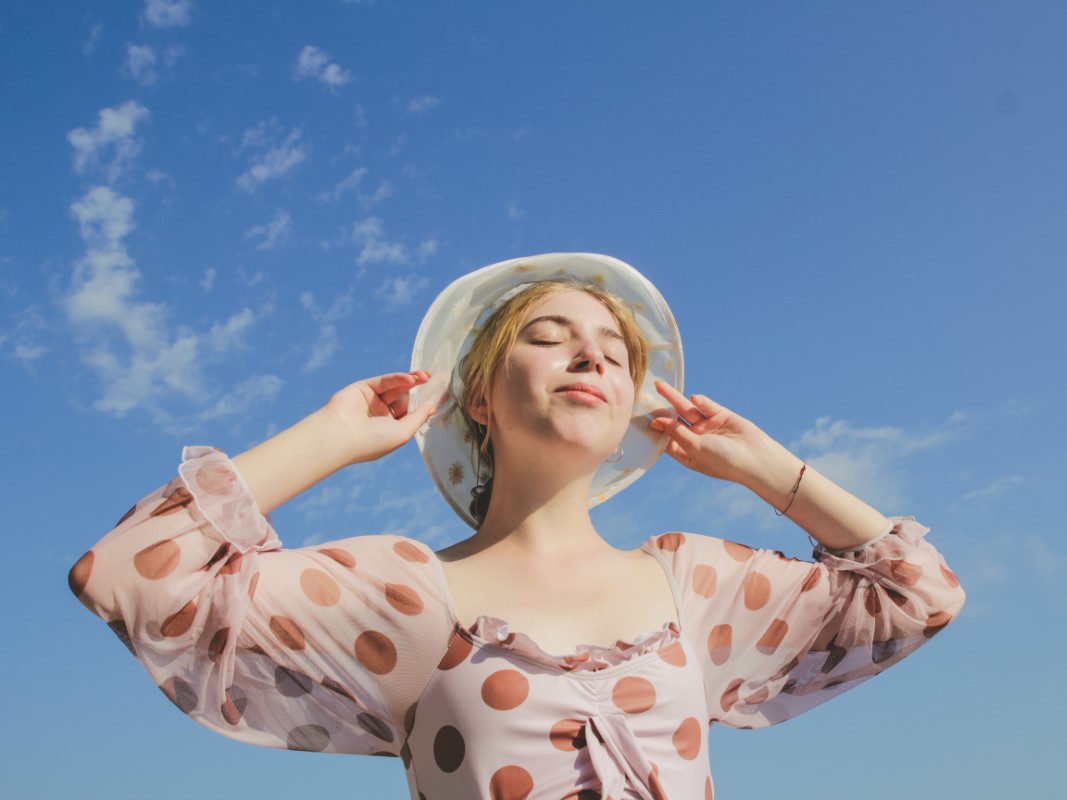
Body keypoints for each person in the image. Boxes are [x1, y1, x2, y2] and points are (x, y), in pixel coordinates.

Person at [69, 253, 965, 799]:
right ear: (481, 400)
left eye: (615, 354)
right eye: (549, 335)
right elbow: (126, 575)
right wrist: (331, 437)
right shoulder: (407, 594)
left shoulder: (693, 586)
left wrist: (768, 467)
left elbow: (920, 594)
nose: (591, 354)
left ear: (627, 415)